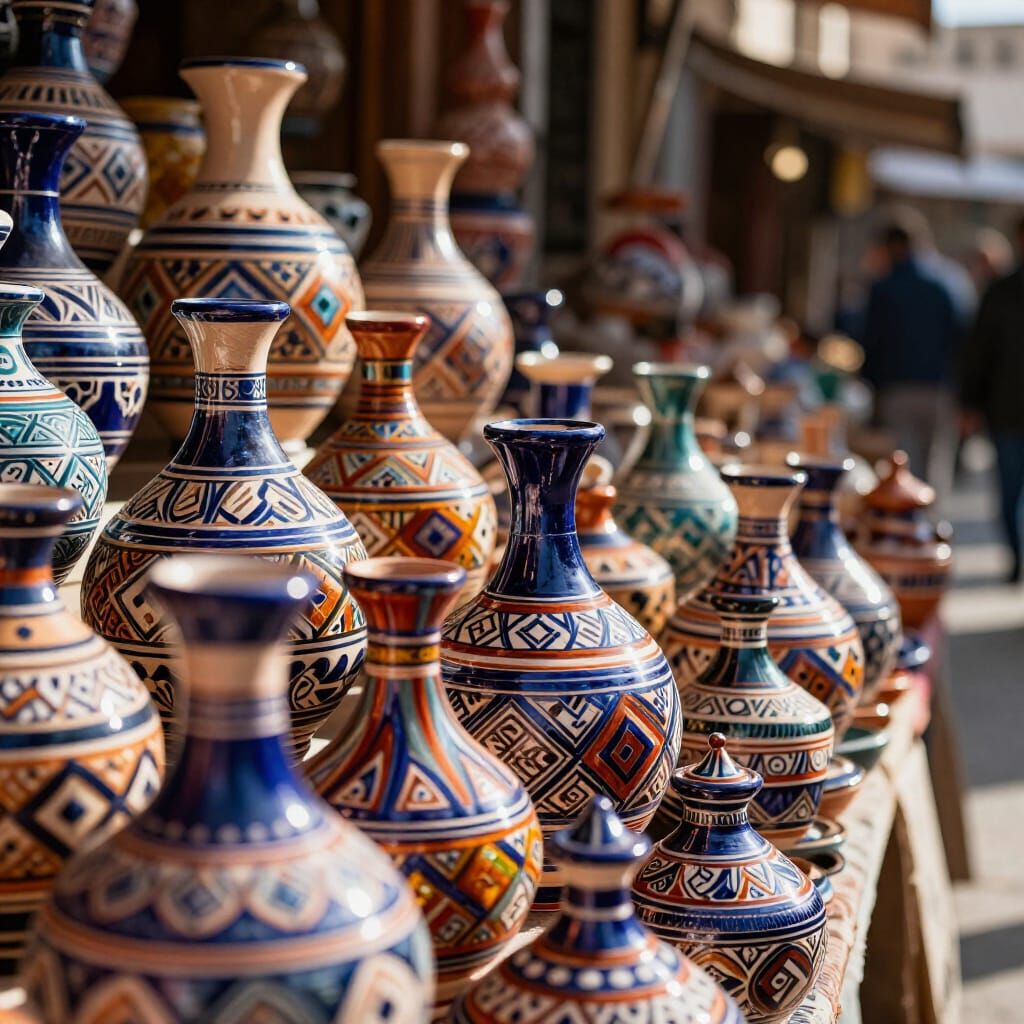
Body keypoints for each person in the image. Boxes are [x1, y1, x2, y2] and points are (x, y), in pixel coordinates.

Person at [861, 223, 960, 510]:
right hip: (938, 389)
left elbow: (872, 341)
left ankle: (906, 532)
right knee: (933, 470)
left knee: (901, 468)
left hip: (897, 389)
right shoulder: (945, 284)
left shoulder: (884, 287)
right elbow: (960, 337)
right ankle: (928, 530)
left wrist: (872, 389)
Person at [962, 216, 1024, 583]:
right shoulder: (1001, 292)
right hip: (1006, 412)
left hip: (1005, 409)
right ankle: (1017, 557)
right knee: (1008, 493)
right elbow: (979, 353)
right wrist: (970, 404)